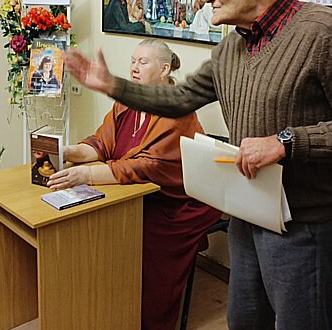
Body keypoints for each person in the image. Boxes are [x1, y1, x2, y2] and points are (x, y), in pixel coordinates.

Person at [65, 0, 332, 330]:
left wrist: (286, 142)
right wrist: (114, 86)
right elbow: (180, 98)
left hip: (305, 223)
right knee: (244, 320)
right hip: (248, 211)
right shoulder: (230, 48)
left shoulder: (324, 32)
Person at [48, 39, 221, 330]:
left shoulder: (178, 110)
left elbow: (148, 166)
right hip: (136, 192)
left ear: (164, 69)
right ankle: (104, 307)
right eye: (132, 61)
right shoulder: (126, 101)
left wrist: (87, 175)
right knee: (96, 225)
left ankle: (145, 319)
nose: (134, 68)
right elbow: (102, 143)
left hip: (176, 202)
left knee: (139, 238)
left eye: (143, 62)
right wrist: (68, 151)